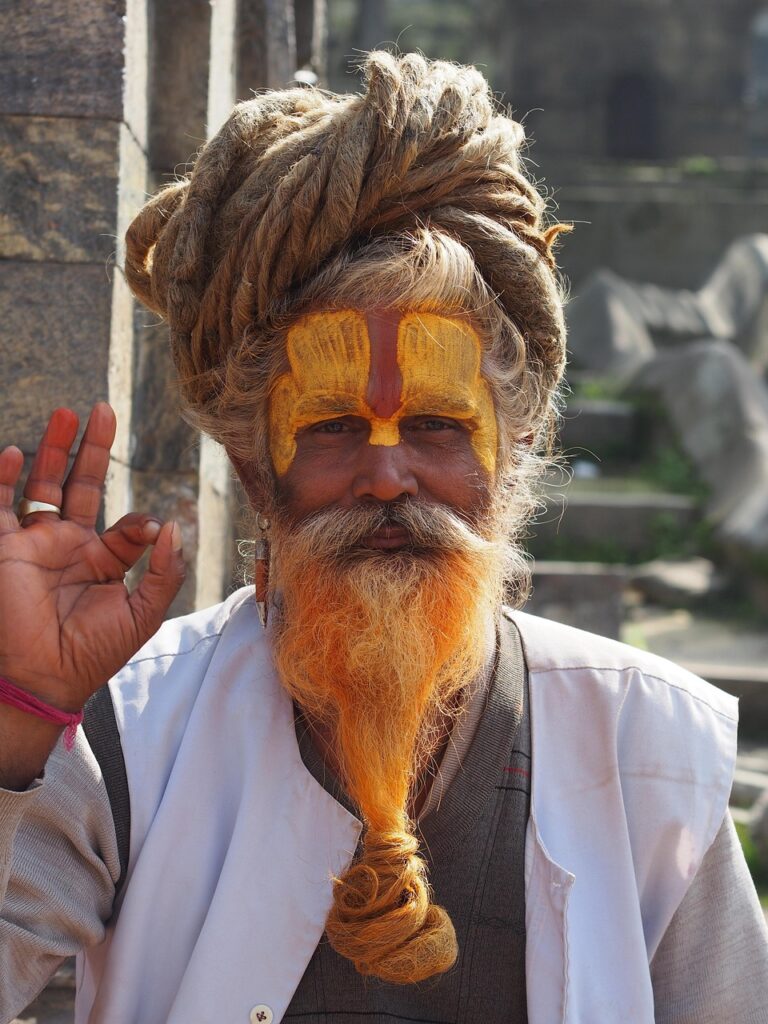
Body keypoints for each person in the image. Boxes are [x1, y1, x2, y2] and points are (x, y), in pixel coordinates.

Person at [1, 51, 767, 1024]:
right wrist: (19, 723)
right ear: (254, 470)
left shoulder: (647, 746)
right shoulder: (133, 732)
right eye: (330, 427)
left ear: (516, 453)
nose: (387, 475)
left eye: (439, 425)